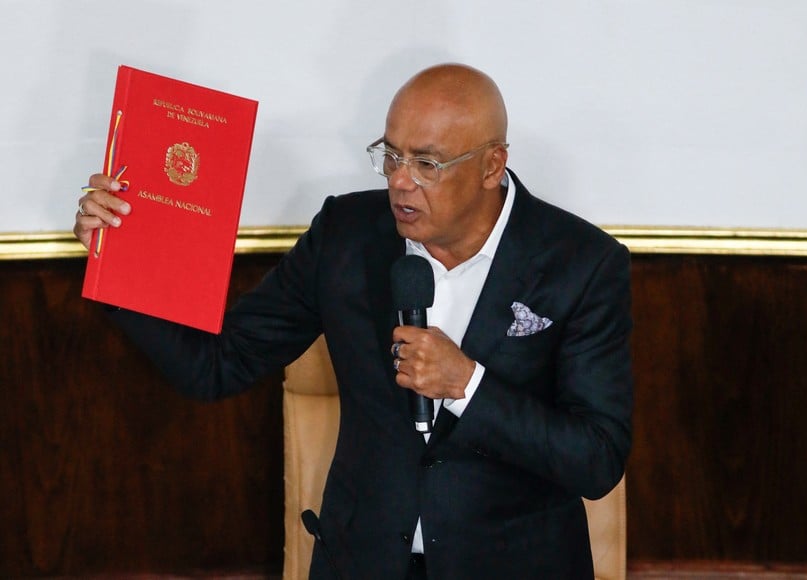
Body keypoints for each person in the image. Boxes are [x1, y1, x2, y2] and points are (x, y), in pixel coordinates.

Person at [74, 63, 633, 580]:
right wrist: (119, 260)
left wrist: (467, 384)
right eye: (390, 156)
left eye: (427, 164)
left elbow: (596, 458)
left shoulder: (580, 264)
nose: (400, 181)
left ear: (492, 165)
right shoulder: (346, 235)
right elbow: (219, 365)